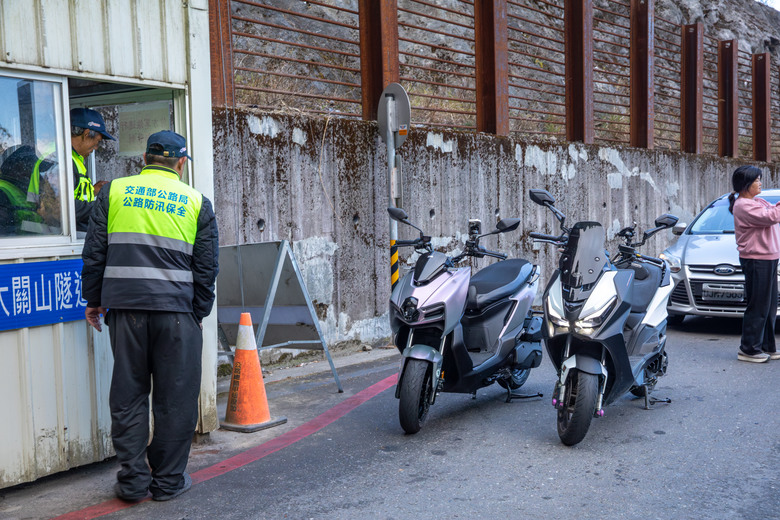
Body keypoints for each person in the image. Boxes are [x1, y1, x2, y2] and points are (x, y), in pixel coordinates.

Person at [81, 130, 219, 502]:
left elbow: (95, 253)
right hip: (177, 314)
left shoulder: (114, 193)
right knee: (176, 399)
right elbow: (206, 269)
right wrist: (198, 313)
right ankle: (168, 481)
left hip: (125, 312)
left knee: (128, 395)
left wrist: (93, 299)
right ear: (180, 163)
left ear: (143, 158)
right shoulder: (196, 202)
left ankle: (133, 482)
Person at [28, 108, 115, 231]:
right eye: (97, 142)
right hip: (56, 236)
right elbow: (58, 208)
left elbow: (70, 194)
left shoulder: (71, 157)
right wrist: (104, 207)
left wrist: (93, 190)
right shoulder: (58, 159)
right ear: (86, 134)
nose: (96, 148)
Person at [729, 165, 780, 363]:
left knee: (768, 305)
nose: (760, 183)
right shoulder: (743, 205)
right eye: (757, 180)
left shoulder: (756, 201)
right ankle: (748, 348)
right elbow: (772, 216)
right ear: (746, 184)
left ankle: (766, 346)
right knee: (758, 305)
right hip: (756, 259)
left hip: (768, 257)